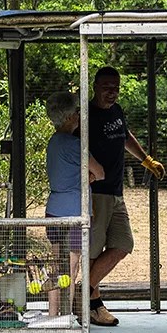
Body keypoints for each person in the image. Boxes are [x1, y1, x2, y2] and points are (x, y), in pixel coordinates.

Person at [85, 66, 160, 327]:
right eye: (107, 87)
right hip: (96, 193)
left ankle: (83, 294)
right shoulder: (87, 115)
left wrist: (146, 160)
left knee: (123, 243)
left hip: (116, 192)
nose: (112, 92)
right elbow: (76, 149)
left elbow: (125, 136)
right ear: (95, 86)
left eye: (115, 88)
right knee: (93, 251)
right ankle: (93, 305)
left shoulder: (116, 111)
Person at [39, 91, 97, 319]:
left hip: (54, 210)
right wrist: (89, 177)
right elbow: (100, 171)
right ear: (70, 116)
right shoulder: (75, 145)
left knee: (57, 266)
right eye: (77, 111)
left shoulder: (53, 142)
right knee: (71, 269)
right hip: (75, 211)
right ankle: (66, 319)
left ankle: (53, 316)